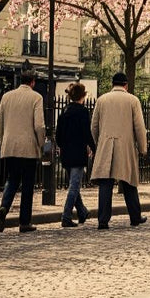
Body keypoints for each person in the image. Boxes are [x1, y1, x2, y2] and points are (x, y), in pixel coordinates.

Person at [90, 72, 148, 229]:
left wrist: (99, 143)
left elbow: (94, 126)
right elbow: (139, 127)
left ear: (112, 84)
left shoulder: (102, 100)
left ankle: (103, 220)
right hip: (125, 146)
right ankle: (135, 217)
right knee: (129, 182)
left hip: (106, 144)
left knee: (105, 183)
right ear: (126, 85)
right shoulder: (132, 100)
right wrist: (143, 148)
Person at [0, 62, 45, 233]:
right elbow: (39, 125)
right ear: (32, 82)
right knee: (28, 185)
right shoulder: (36, 98)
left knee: (12, 179)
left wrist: (4, 141)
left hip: (10, 146)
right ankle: (24, 222)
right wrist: (40, 143)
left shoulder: (6, 97)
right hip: (28, 148)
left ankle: (4, 207)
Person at [56, 82, 95, 227]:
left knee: (74, 184)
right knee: (74, 186)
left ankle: (82, 211)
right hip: (78, 153)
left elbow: (58, 135)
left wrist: (62, 146)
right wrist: (93, 148)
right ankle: (66, 216)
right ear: (83, 96)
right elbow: (87, 133)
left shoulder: (64, 111)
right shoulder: (83, 112)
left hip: (66, 153)